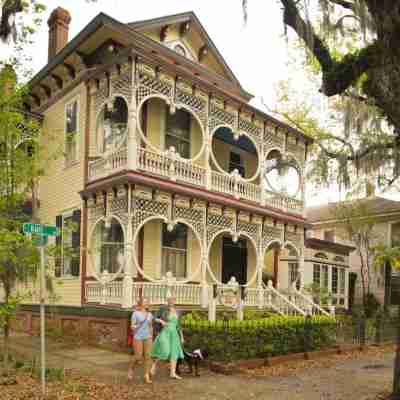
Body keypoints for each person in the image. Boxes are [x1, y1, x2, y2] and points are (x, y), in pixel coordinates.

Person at [150, 296, 184, 380]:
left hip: (174, 334)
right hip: (165, 332)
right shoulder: (163, 309)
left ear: (175, 301)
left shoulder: (178, 311)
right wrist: (161, 321)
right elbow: (153, 318)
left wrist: (182, 337)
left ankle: (173, 373)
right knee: (165, 351)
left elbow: (179, 325)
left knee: (174, 353)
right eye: (169, 300)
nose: (171, 301)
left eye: (173, 299)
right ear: (167, 301)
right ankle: (154, 365)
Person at [128, 297, 153, 383]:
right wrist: (137, 325)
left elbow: (150, 326)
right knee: (138, 356)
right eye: (145, 302)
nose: (147, 303)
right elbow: (132, 326)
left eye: (147, 302)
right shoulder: (135, 313)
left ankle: (146, 375)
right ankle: (131, 369)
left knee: (148, 356)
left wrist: (151, 336)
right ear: (141, 304)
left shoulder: (150, 314)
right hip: (138, 337)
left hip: (148, 337)